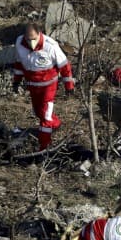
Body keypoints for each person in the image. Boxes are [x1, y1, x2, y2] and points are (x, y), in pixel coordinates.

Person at [11, 22, 75, 151]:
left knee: (46, 116)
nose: (31, 42)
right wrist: (16, 81)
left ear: (39, 34)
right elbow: (19, 64)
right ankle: (56, 125)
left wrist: (69, 85)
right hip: (33, 86)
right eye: (28, 39)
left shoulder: (50, 46)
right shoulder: (19, 43)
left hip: (48, 86)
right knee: (38, 112)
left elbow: (64, 65)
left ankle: (44, 146)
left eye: (34, 38)